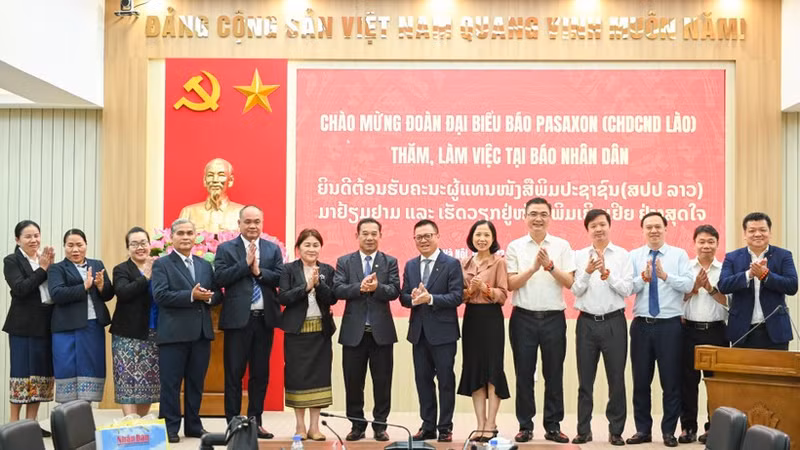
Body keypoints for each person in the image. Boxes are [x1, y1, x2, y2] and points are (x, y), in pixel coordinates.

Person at [506, 197, 575, 444]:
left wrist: (550, 266)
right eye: (533, 213)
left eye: (543, 214)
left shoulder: (562, 245)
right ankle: (525, 426)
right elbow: (510, 283)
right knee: (524, 373)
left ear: (550, 217)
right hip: (522, 318)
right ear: (525, 217)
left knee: (554, 373)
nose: (538, 218)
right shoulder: (515, 246)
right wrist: (534, 267)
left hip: (553, 318)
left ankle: (553, 426)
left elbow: (570, 282)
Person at [213, 205, 282, 438]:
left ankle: (255, 421)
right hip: (237, 321)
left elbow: (280, 277)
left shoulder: (273, 249)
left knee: (260, 374)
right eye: (248, 221)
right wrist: (245, 265)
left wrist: (259, 271)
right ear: (239, 223)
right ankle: (233, 422)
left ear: (262, 223)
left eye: (257, 221)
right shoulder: (226, 249)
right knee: (234, 374)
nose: (253, 226)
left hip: (264, 320)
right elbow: (220, 278)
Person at [627, 212, 693, 448]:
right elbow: (627, 288)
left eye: (658, 226)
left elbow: (688, 284)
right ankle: (642, 430)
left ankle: (668, 432)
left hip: (670, 326)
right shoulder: (633, 255)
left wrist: (665, 276)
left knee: (671, 381)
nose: (653, 231)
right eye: (649, 227)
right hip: (642, 325)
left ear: (666, 229)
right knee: (641, 381)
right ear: (642, 230)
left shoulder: (679, 255)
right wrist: (642, 279)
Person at [152, 218, 221, 443]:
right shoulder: (162, 264)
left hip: (201, 334)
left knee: (195, 383)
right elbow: (160, 295)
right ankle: (170, 427)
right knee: (171, 385)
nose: (185, 237)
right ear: (172, 237)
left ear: (195, 237)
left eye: (189, 233)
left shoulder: (203, 265)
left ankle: (193, 425)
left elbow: (216, 294)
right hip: (173, 335)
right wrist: (192, 296)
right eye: (180, 233)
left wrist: (209, 298)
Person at [333, 218, 400, 442]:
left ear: (380, 235)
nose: (369, 237)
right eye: (365, 233)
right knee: (353, 382)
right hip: (354, 333)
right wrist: (360, 287)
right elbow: (338, 289)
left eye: (374, 233)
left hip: (381, 333)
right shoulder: (345, 261)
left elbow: (394, 290)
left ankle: (380, 425)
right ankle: (357, 424)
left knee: (382, 381)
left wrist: (377, 288)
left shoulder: (390, 261)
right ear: (357, 235)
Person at [570, 209, 632, 446]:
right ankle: (583, 430)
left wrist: (607, 273)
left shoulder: (622, 255)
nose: (598, 229)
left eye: (602, 224)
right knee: (585, 380)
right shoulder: (578, 256)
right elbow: (575, 290)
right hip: (586, 322)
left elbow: (627, 290)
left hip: (614, 322)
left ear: (609, 226)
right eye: (593, 226)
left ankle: (616, 431)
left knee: (616, 380)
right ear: (587, 230)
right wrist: (587, 272)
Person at [400, 219, 463, 443]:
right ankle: (428, 426)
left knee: (446, 380)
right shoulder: (410, 265)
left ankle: (445, 427)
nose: (424, 240)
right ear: (414, 239)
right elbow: (404, 297)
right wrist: (415, 299)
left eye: (428, 236)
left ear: (437, 236)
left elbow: (457, 296)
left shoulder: (451, 263)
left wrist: (432, 298)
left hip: (444, 334)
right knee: (423, 380)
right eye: (419, 237)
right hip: (419, 333)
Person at [279, 229, 336, 441]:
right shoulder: (288, 270)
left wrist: (318, 285)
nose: (311, 249)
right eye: (307, 245)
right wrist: (306, 287)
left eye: (315, 245)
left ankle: (314, 427)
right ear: (298, 248)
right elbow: (283, 298)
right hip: (296, 332)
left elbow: (332, 298)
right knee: (297, 377)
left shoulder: (327, 270)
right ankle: (300, 426)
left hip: (320, 333)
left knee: (319, 378)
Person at [457, 220, 509, 443]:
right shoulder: (464, 263)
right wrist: (470, 290)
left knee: (493, 370)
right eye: (478, 234)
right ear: (472, 237)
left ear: (493, 238)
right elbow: (459, 296)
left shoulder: (499, 262)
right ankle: (479, 424)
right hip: (472, 319)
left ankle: (491, 424)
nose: (482, 239)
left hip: (491, 319)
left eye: (486, 235)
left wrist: (485, 289)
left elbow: (503, 295)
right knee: (475, 370)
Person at [48, 228, 114, 403]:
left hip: (93, 325)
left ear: (86, 245)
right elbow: (57, 294)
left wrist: (100, 285)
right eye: (70, 245)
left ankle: (85, 414)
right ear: (64, 247)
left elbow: (108, 294)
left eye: (79, 245)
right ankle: (67, 414)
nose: (75, 249)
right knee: (66, 366)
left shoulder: (97, 264)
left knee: (91, 367)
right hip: (65, 327)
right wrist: (83, 286)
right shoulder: (57, 268)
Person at [3, 220, 55, 435]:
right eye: (28, 236)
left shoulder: (47, 259)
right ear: (17, 240)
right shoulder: (12, 260)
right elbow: (21, 289)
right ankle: (14, 425)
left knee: (40, 375)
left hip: (45, 325)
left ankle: (31, 424)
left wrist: (48, 267)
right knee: (21, 375)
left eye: (36, 235)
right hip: (22, 326)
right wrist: (43, 269)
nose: (34, 240)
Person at [679, 225, 729, 445]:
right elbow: (676, 300)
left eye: (711, 241)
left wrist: (709, 288)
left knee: (715, 382)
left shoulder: (725, 269)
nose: (706, 245)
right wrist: (695, 288)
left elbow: (729, 303)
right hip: (688, 331)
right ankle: (688, 427)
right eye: (702, 241)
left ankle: (713, 428)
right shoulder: (685, 268)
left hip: (717, 331)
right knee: (688, 382)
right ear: (694, 243)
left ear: (717, 244)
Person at [719, 212, 798, 350]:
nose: (757, 234)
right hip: (742, 331)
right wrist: (749, 274)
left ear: (770, 232)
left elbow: (792, 286)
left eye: (762, 230)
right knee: (743, 372)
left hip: (775, 332)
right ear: (745, 234)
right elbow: (723, 285)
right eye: (752, 231)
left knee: (776, 371)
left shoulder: (783, 255)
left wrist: (766, 275)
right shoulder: (732, 257)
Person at [110, 227, 160, 416]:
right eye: (134, 244)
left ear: (150, 245)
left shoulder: (160, 266)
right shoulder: (121, 269)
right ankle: (130, 421)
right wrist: (144, 276)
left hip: (155, 330)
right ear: (127, 248)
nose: (140, 247)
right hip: (127, 332)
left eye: (143, 243)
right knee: (127, 380)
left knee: (149, 381)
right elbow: (123, 293)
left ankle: (141, 421)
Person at [178, 158, 245, 232]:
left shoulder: (243, 212)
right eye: (210, 175)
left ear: (230, 181)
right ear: (204, 180)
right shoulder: (188, 212)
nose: (215, 180)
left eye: (221, 175)